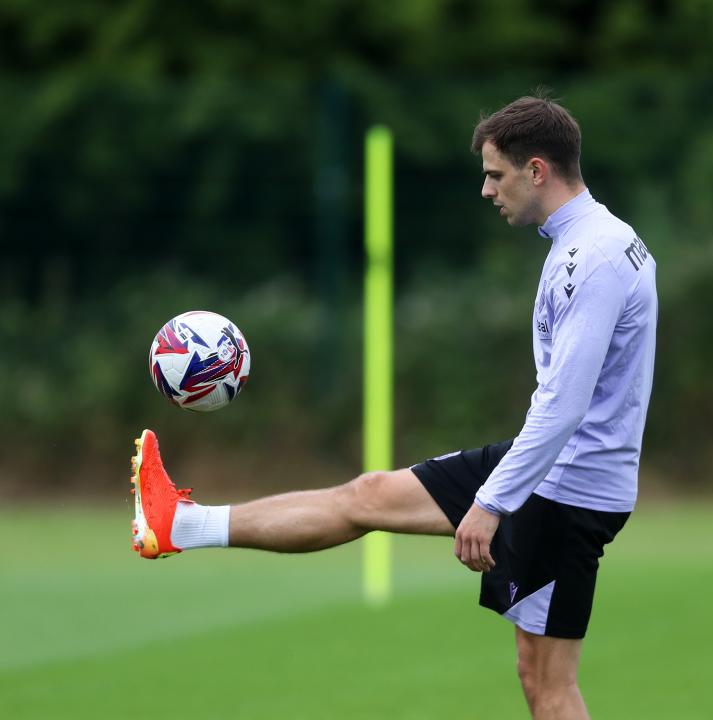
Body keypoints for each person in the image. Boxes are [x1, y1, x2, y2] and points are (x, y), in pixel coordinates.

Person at [129, 94, 657, 720]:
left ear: (536, 170)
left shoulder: (587, 259)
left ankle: (181, 528)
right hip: (550, 473)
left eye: (495, 174)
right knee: (369, 496)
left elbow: (566, 404)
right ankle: (179, 526)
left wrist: (492, 503)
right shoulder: (599, 240)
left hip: (565, 490)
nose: (487, 190)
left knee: (551, 686)